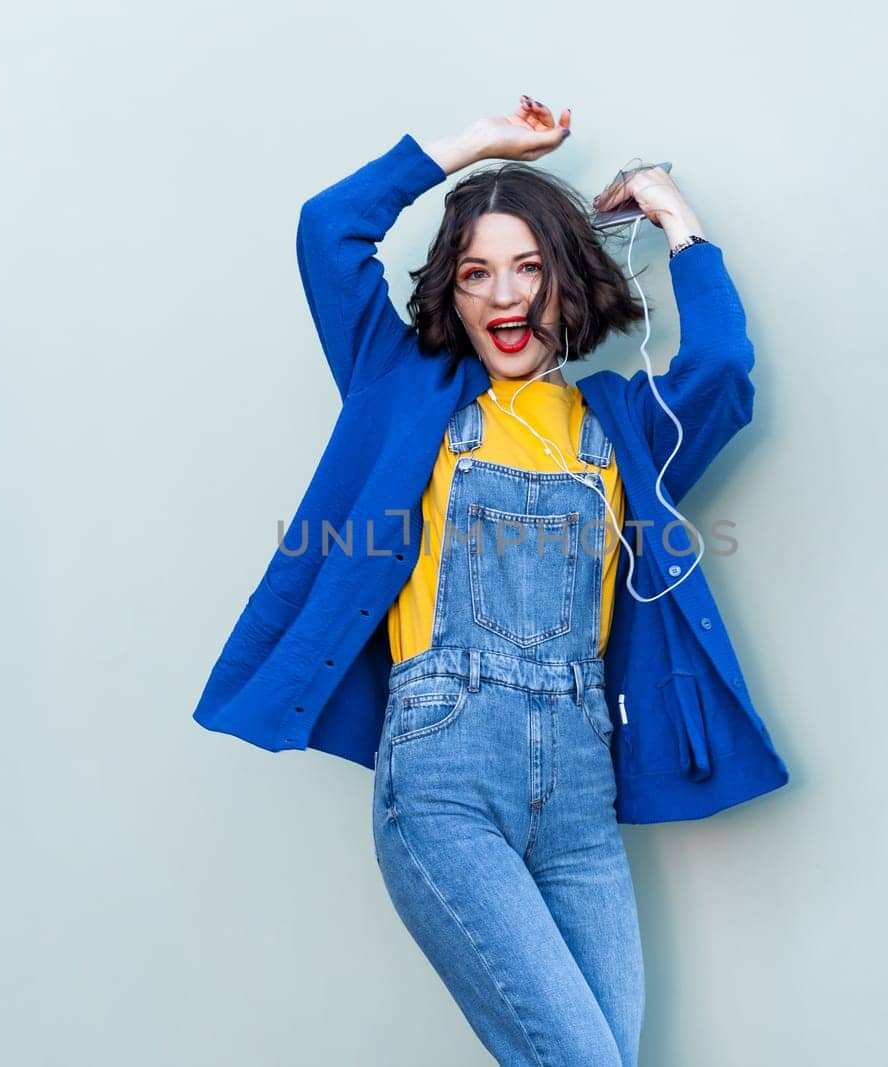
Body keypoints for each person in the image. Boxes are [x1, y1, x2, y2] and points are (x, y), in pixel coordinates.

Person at [192, 94, 791, 1066]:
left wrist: (671, 213)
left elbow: (721, 364)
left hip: (581, 790)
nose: (504, 296)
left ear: (569, 283)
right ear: (452, 295)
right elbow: (326, 227)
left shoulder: (625, 428)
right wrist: (481, 147)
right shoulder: (402, 385)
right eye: (476, 273)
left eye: (528, 267)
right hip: (443, 777)